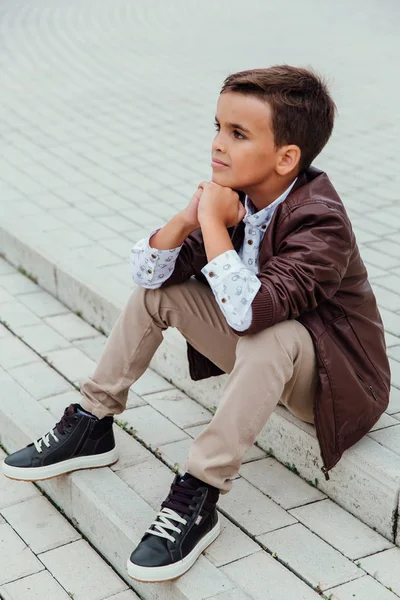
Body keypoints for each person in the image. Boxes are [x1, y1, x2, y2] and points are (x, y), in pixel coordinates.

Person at [2, 65, 390, 583]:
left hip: (334, 381)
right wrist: (189, 218)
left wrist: (211, 223)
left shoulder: (321, 219)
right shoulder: (240, 198)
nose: (218, 144)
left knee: (269, 333)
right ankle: (92, 424)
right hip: (265, 357)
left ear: (287, 157)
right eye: (217, 127)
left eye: (238, 133)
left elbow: (253, 312)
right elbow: (147, 272)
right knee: (160, 292)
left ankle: (199, 493)